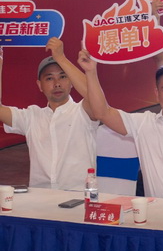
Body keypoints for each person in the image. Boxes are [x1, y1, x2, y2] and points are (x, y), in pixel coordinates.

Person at [78, 35, 163, 200]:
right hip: (154, 213)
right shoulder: (143, 123)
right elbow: (102, 113)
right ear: (157, 93)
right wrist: (91, 72)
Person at [0, 38, 99, 191]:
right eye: (49, 78)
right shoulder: (31, 116)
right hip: (40, 198)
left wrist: (61, 57)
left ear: (71, 81)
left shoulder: (83, 111)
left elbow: (95, 97)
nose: (57, 83)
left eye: (63, 76)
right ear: (40, 85)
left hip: (78, 197)